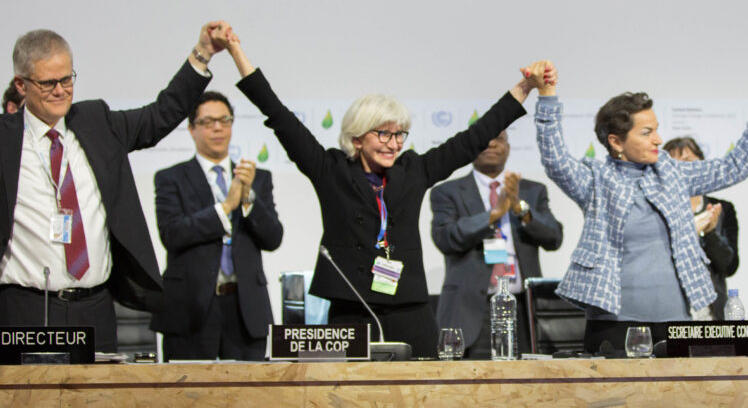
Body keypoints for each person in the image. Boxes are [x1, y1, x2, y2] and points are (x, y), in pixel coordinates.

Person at [223, 32, 554, 358]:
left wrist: (525, 87)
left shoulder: (413, 171)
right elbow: (279, 116)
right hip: (352, 307)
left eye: (399, 134)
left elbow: (474, 137)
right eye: (383, 133)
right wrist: (238, 54)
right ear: (357, 138)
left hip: (410, 308)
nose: (393, 143)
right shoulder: (331, 170)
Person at [0, 22, 230, 352]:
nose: (61, 90)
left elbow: (160, 115)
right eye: (48, 83)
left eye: (67, 79)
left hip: (93, 308)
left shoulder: (96, 122)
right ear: (21, 84)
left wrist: (203, 53)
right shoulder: (5, 139)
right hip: (23, 309)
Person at [534, 75, 748, 353]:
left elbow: (734, 166)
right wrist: (547, 97)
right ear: (616, 142)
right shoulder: (595, 180)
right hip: (615, 324)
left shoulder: (672, 173)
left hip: (676, 322)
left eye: (656, 129)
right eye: (646, 133)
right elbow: (555, 159)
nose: (658, 139)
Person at [150, 91, 284, 360]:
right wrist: (225, 207)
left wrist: (247, 199)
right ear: (191, 129)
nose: (217, 128)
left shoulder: (255, 178)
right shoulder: (171, 178)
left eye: (225, 120)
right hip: (191, 308)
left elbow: (273, 239)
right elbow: (172, 234)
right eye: (208, 122)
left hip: (245, 307)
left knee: (250, 397)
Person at [430, 130, 564, 358]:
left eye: (498, 139)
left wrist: (520, 208)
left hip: (522, 309)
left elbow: (554, 238)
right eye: (484, 140)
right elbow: (446, 237)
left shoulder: (532, 190)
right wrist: (494, 214)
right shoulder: (447, 191)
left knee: (526, 388)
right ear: (470, 149)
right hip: (472, 309)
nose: (491, 144)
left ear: (508, 148)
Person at [663, 137, 739, 321]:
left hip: (711, 311)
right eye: (674, 164)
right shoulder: (659, 209)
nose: (682, 169)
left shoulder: (721, 208)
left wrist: (710, 233)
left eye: (688, 162)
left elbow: (729, 266)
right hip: (670, 310)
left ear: (702, 165)